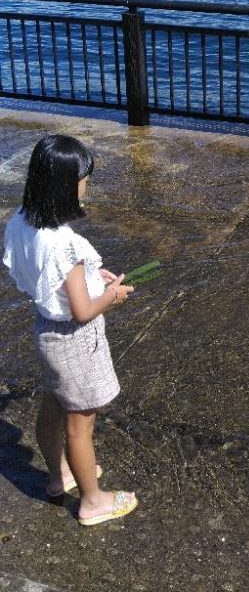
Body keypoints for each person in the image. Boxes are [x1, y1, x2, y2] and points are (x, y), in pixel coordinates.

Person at [2, 134, 138, 526]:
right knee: (80, 426)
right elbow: (82, 311)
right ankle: (92, 502)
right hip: (75, 343)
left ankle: (59, 475)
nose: (86, 185)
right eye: (84, 179)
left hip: (47, 332)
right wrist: (111, 296)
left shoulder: (22, 221)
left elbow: (52, 279)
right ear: (65, 186)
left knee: (53, 408)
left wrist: (93, 276)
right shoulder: (64, 244)